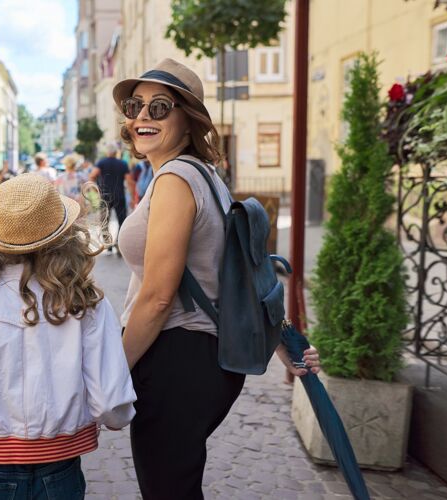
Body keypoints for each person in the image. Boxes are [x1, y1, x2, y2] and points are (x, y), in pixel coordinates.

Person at [113, 58, 321, 499]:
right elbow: (240, 269)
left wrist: (108, 370)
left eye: (160, 106)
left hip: (178, 359)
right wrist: (281, 340)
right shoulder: (206, 176)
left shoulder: (175, 180)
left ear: (189, 119)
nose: (142, 117)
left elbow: (156, 298)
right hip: (204, 363)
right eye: (135, 105)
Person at [0, 174, 136, 499]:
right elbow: (112, 401)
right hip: (60, 466)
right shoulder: (85, 302)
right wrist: (115, 418)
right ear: (65, 235)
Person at [89, 143, 130, 253]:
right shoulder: (123, 163)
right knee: (122, 220)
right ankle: (118, 243)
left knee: (104, 221)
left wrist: (96, 191)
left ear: (107, 152)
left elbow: (92, 176)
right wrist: (133, 196)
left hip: (105, 196)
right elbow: (129, 180)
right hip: (119, 195)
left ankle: (107, 243)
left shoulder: (101, 162)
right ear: (116, 152)